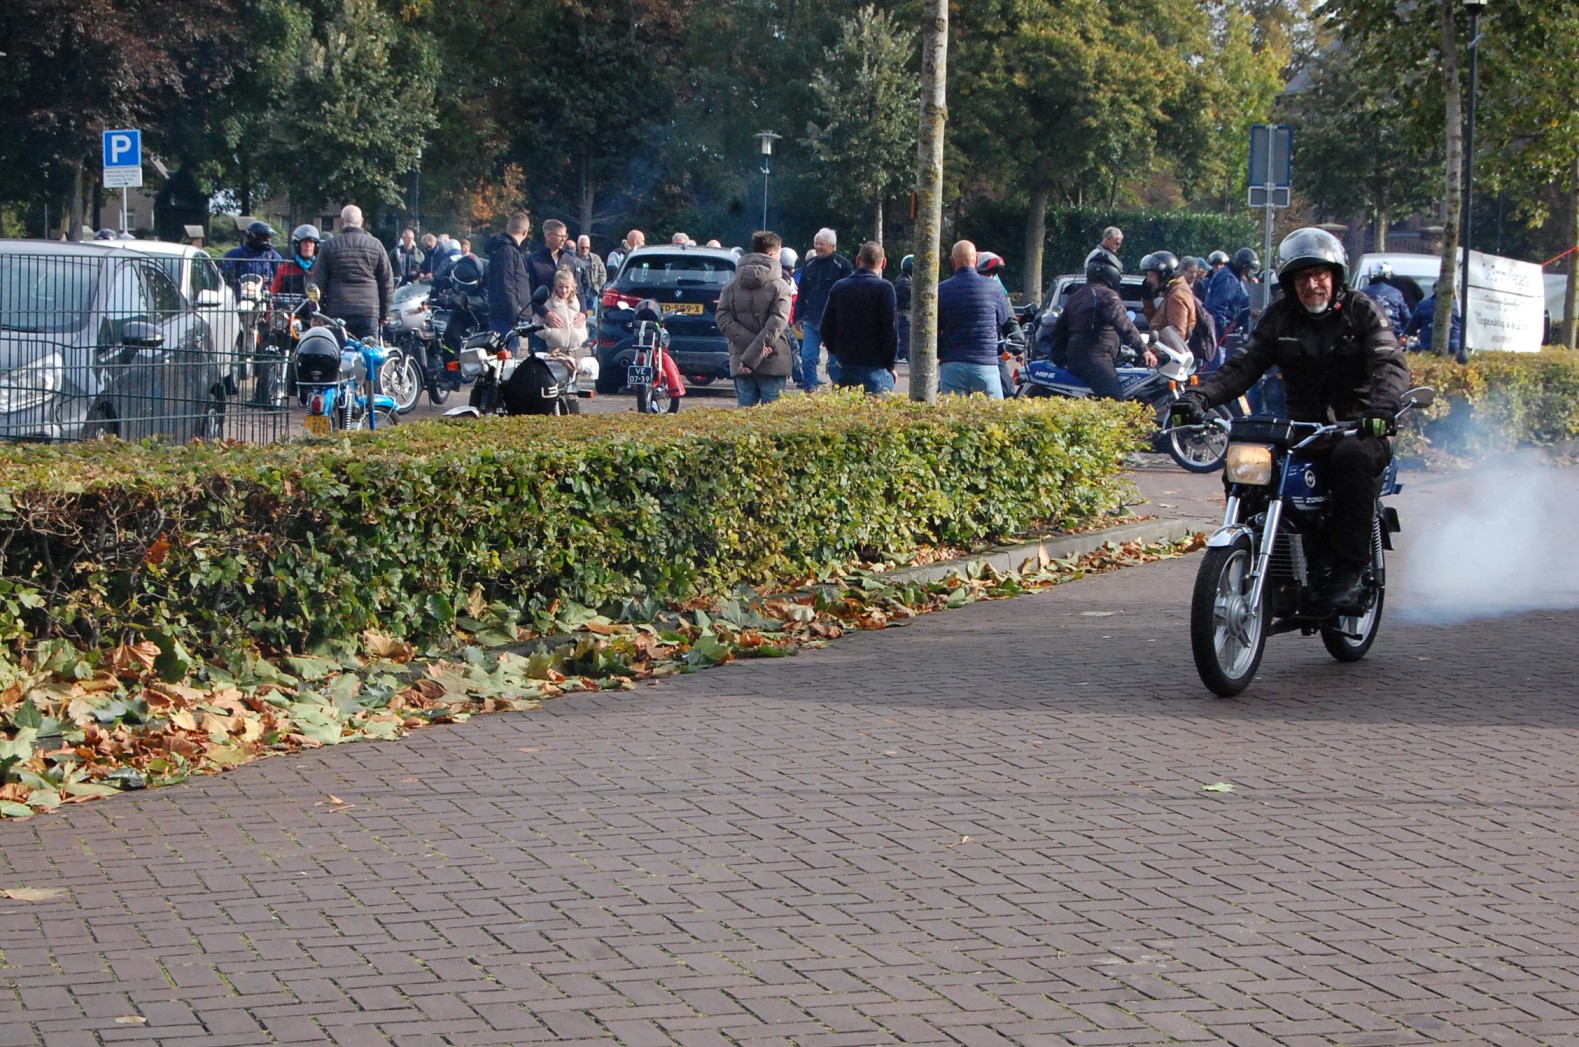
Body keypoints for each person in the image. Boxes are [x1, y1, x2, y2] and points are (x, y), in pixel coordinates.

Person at [1174, 227, 1410, 611]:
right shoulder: (1280, 316)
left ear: (1335, 276)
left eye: (1319, 275)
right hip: (1301, 430)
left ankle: (1349, 572)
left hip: (1358, 427)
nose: (1311, 285)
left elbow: (1389, 363)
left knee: (1350, 459)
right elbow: (1244, 364)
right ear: (1289, 283)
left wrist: (1381, 410)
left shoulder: (1362, 311)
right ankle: (1255, 546)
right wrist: (1198, 397)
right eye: (1302, 278)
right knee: (1249, 463)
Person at [1047, 248, 1150, 399]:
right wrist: (1144, 350)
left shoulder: (1076, 297)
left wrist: (1059, 359)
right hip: (1095, 358)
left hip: (1078, 358)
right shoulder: (1107, 296)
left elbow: (1058, 331)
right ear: (1113, 274)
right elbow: (1124, 324)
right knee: (1114, 401)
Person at [717, 230, 794, 406]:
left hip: (741, 358)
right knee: (772, 418)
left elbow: (722, 317)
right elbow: (776, 324)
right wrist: (756, 351)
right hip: (773, 360)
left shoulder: (730, 285)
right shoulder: (781, 286)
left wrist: (748, 351)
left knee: (745, 416)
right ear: (772, 254)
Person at [820, 241, 898, 394]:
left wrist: (837, 352)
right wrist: (890, 365)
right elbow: (890, 330)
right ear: (883, 263)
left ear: (857, 260)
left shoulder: (839, 287)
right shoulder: (885, 288)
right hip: (875, 366)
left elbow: (826, 327)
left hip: (845, 364)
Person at [936, 240, 1010, 397]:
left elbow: (936, 327)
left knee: (951, 411)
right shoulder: (994, 287)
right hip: (985, 362)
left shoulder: (941, 290)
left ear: (952, 262)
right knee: (993, 411)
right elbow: (1003, 319)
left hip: (952, 362)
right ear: (976, 261)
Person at [308, 205, 393, 340]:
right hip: (368, 311)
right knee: (368, 351)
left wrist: (316, 313)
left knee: (339, 351)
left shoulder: (329, 245)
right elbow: (386, 281)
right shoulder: (376, 245)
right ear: (362, 221)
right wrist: (384, 312)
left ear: (341, 221)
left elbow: (317, 284)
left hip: (338, 311)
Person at [794, 227, 854, 392]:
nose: (818, 247)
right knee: (807, 357)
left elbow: (848, 296)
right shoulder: (809, 265)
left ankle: (839, 390)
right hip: (811, 319)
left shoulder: (843, 266)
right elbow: (802, 292)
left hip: (834, 322)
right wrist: (798, 316)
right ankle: (810, 390)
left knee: (835, 361)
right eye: (816, 244)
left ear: (833, 246)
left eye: (822, 244)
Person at [485, 211, 535, 348]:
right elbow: (506, 285)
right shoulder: (507, 251)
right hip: (507, 319)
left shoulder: (508, 250)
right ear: (525, 232)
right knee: (509, 357)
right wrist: (515, 315)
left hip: (508, 316)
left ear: (508, 227)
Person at [1140, 250, 1198, 358]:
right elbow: (1157, 323)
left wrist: (1151, 352)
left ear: (1164, 275)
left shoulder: (1177, 296)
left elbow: (1177, 336)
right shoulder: (1173, 291)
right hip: (1165, 354)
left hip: (1169, 358)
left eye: (1151, 275)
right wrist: (1147, 299)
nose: (1148, 280)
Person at [1205, 247, 1257, 338]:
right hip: (1220, 332)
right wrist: (1223, 331)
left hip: (1226, 328)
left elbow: (1243, 300)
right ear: (1243, 266)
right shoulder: (1228, 278)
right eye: (1249, 268)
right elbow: (1219, 307)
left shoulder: (1234, 277)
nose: (1249, 271)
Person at [539, 267, 588, 352]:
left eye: (567, 287)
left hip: (574, 350)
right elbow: (537, 323)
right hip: (555, 350)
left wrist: (582, 333)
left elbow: (582, 320)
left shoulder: (576, 302)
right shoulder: (549, 303)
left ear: (572, 287)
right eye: (561, 287)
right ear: (556, 287)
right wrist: (549, 333)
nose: (564, 290)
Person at [221, 220, 282, 288]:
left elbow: (281, 277)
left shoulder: (272, 255)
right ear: (251, 237)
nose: (267, 240)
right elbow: (223, 273)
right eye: (263, 237)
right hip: (243, 292)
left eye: (268, 237)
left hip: (267, 292)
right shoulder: (236, 254)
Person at [1404, 292, 1463, 357]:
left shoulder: (1422, 305)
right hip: (1454, 348)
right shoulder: (1460, 307)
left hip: (1427, 347)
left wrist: (1406, 334)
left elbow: (1410, 328)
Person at [1358, 261, 1410, 333]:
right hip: (1393, 333)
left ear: (1371, 274)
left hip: (1369, 334)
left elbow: (1356, 317)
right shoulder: (1396, 293)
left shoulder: (1361, 293)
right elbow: (1406, 316)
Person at [270, 224, 321, 296]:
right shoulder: (285, 268)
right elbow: (274, 293)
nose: (308, 246)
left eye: (311, 242)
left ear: (316, 246)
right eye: (304, 242)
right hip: (292, 303)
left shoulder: (321, 268)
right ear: (297, 245)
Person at [895, 254, 913, 362]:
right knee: (912, 352)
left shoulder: (903, 280)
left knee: (901, 350)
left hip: (904, 319)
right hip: (905, 320)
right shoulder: (905, 283)